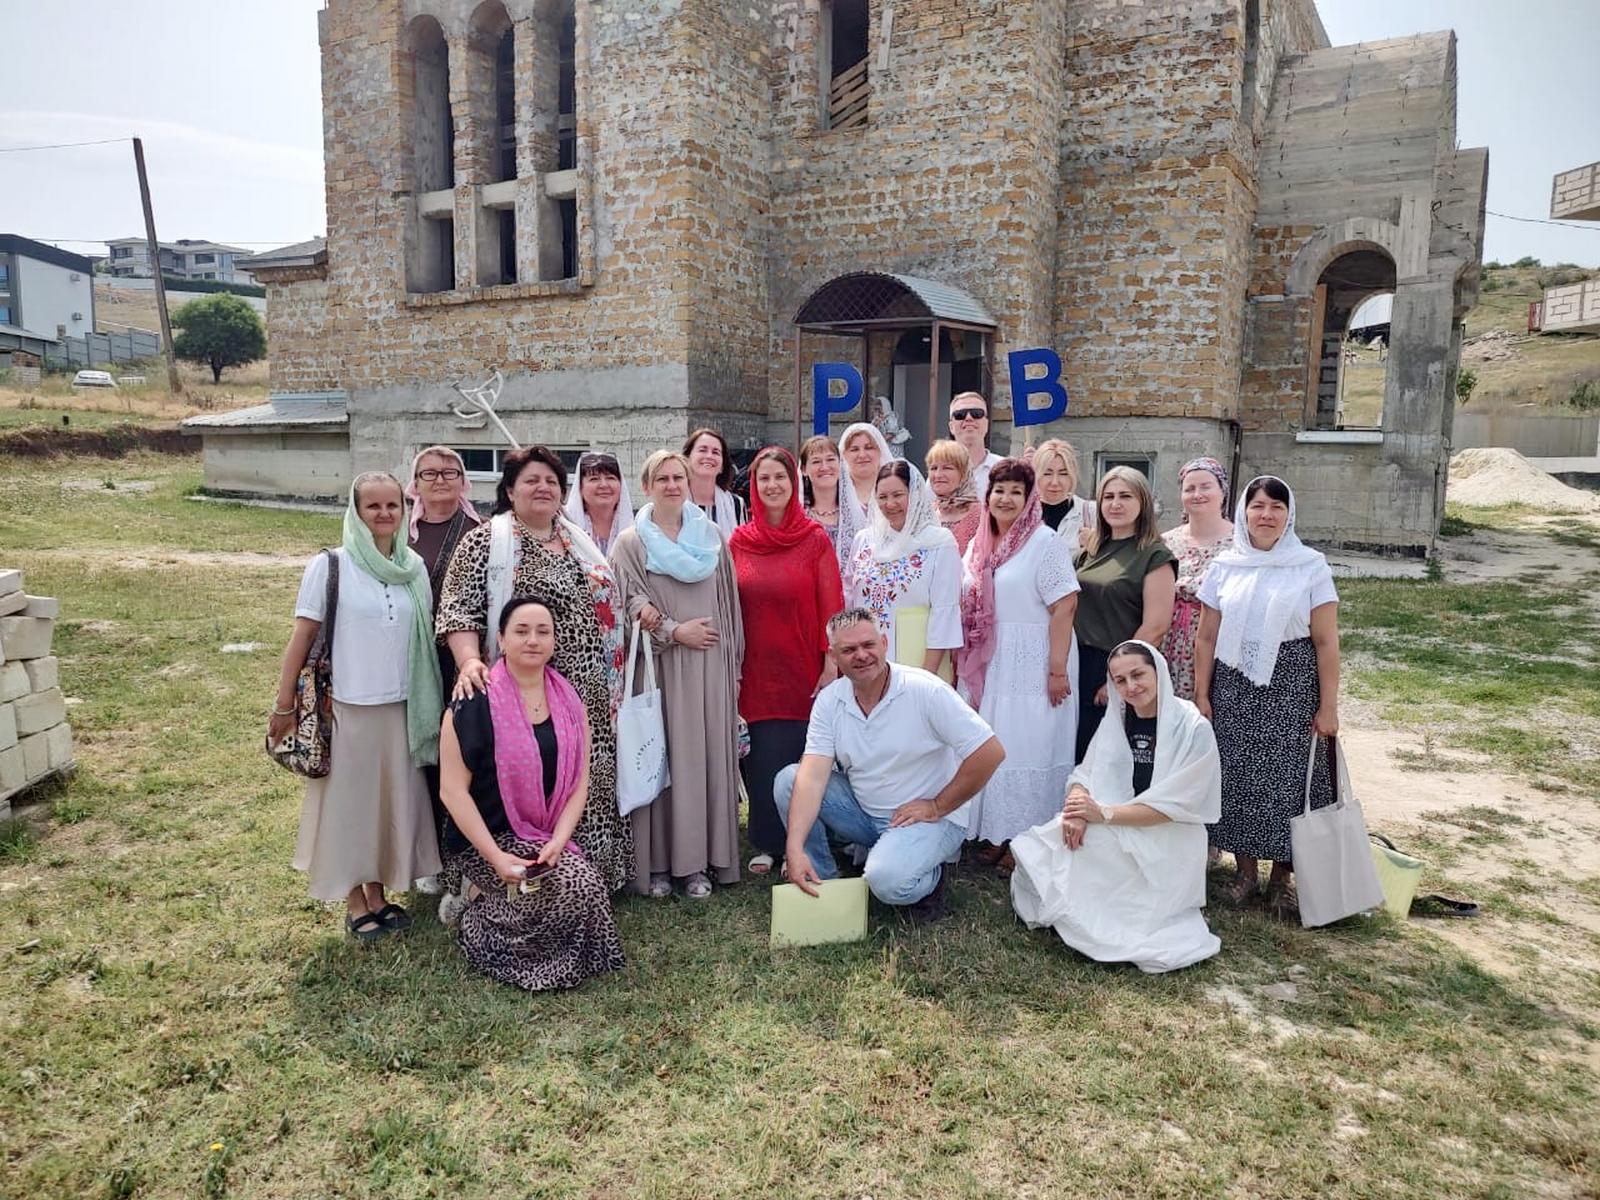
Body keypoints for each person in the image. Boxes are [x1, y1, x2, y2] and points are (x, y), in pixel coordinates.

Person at [436, 445, 634, 892]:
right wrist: (469, 661)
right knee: (535, 782)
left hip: (588, 694)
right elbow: (458, 610)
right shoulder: (487, 541)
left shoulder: (575, 539)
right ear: (510, 490)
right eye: (531, 480)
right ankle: (521, 874)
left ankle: (589, 875)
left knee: (584, 779)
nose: (542, 488)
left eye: (551, 481)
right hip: (523, 696)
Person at [270, 471, 444, 940]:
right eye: (373, 506)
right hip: (347, 708)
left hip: (402, 709)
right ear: (356, 511)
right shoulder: (331, 566)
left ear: (404, 510)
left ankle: (379, 895)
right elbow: (302, 638)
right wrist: (284, 704)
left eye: (392, 505)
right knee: (349, 809)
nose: (384, 514)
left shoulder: (413, 568)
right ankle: (354, 902)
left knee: (386, 807)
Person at [435, 596, 625, 990]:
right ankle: (474, 914)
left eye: (543, 632)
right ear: (501, 640)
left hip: (544, 836)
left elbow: (580, 781)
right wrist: (496, 857)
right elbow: (452, 793)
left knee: (584, 887)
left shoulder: (569, 701)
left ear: (554, 641)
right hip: (488, 840)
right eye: (521, 631)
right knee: (565, 891)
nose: (533, 640)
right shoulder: (471, 704)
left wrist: (559, 840)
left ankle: (513, 918)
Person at [776, 609, 1005, 922]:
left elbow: (990, 752)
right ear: (834, 656)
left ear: (884, 643)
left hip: (928, 819)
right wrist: (794, 848)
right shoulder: (830, 701)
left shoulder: (924, 689)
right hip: (865, 813)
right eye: (849, 649)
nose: (861, 655)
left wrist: (937, 806)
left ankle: (930, 880)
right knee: (790, 780)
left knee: (885, 881)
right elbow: (812, 776)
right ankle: (822, 883)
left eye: (868, 645)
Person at [1009, 641, 1222, 973]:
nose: (1131, 687)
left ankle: (1106, 919)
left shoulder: (1192, 727)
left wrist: (1104, 814)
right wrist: (1077, 812)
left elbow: (1179, 805)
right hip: (1114, 822)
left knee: (1087, 848)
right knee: (1055, 839)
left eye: (1138, 675)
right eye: (1120, 680)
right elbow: (1085, 774)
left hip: (1169, 836)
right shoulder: (1118, 719)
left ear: (1158, 671)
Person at [1194, 476, 1340, 909]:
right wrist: (1202, 694)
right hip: (1234, 686)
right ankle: (1244, 873)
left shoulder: (1310, 565)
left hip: (1293, 687)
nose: (1266, 515)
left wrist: (1328, 706)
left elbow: (1326, 641)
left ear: (1289, 515)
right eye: (1257, 506)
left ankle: (1281, 879)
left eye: (1277, 507)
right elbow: (1206, 637)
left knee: (1289, 779)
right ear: (1244, 512)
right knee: (1238, 776)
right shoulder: (1226, 566)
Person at [609, 449, 746, 900]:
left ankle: (700, 863)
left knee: (700, 760)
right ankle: (658, 865)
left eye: (678, 478)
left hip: (708, 667)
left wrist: (733, 666)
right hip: (659, 668)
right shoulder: (631, 543)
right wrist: (673, 631)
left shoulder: (712, 537)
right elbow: (625, 604)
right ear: (646, 487)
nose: (671, 485)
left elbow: (728, 605)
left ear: (689, 484)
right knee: (661, 757)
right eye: (662, 479)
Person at [957, 459, 1081, 861]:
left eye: (1016, 492)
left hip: (1035, 659)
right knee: (996, 742)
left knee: (1030, 745)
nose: (1006, 499)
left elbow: (1065, 605)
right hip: (992, 659)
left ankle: (1027, 838)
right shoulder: (979, 544)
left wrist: (1057, 669)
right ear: (987, 496)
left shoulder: (1044, 542)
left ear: (1029, 499)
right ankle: (998, 830)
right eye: (999, 490)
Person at [729, 447, 844, 876]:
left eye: (780, 477)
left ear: (794, 484)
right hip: (756, 669)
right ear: (754, 486)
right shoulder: (739, 541)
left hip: (803, 668)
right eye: (764, 478)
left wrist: (830, 663)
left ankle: (801, 841)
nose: (772, 485)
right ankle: (765, 841)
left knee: (800, 755)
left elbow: (832, 604)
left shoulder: (814, 539)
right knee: (759, 755)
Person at [405, 445, 484, 866]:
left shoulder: (480, 532)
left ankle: (461, 849)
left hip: (463, 656)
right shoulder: (400, 534)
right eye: (430, 473)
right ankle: (425, 848)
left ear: (463, 481)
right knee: (420, 750)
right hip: (412, 658)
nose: (440, 480)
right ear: (415, 484)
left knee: (460, 750)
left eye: (450, 472)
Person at [1073, 466, 1177, 761]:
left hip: (1116, 666)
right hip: (1076, 664)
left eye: (1125, 496)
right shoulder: (1089, 552)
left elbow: (1155, 627)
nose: (1115, 504)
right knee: (1074, 756)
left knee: (1106, 758)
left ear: (1143, 502)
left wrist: (1117, 678)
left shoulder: (1155, 556)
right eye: (1108, 497)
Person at [844, 460, 962, 677]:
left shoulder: (939, 542)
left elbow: (945, 612)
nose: (890, 504)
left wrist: (927, 676)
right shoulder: (864, 540)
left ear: (915, 494)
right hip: (866, 660)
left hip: (916, 662)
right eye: (882, 497)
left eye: (898, 495)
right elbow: (849, 598)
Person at [1159, 457, 1234, 701]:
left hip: (1215, 642)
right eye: (1189, 488)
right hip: (1167, 640)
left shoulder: (1240, 543)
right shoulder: (1165, 541)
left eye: (1205, 487)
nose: (1197, 494)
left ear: (1222, 492)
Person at [835, 420, 893, 576]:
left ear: (880, 451)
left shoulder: (897, 491)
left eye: (869, 448)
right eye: (854, 449)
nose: (862, 455)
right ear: (843, 455)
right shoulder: (834, 493)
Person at [564, 450, 635, 556]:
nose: (604, 485)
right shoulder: (564, 526)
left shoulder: (637, 529)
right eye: (594, 479)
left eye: (610, 478)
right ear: (580, 487)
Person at [1031, 438, 1095, 549]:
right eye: (1047, 473)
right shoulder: (1023, 514)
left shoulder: (1091, 512)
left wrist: (1094, 545)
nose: (1055, 482)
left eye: (1063, 474)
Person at [683, 427, 747, 536]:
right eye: (703, 450)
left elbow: (741, 544)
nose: (709, 456)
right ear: (687, 459)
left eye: (715, 452)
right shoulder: (673, 501)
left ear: (722, 466)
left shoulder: (736, 504)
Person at [925, 438, 982, 554]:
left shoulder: (981, 516)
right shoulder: (926, 513)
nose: (938, 475)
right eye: (933, 468)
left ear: (964, 473)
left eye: (947, 468)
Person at [948, 391, 1004, 498]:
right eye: (960, 415)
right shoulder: (939, 475)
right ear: (951, 427)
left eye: (977, 413)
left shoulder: (1006, 469)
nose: (968, 418)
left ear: (986, 424)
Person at [799, 434, 844, 551]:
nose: (824, 467)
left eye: (830, 459)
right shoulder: (798, 516)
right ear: (804, 470)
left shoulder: (856, 512)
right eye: (816, 461)